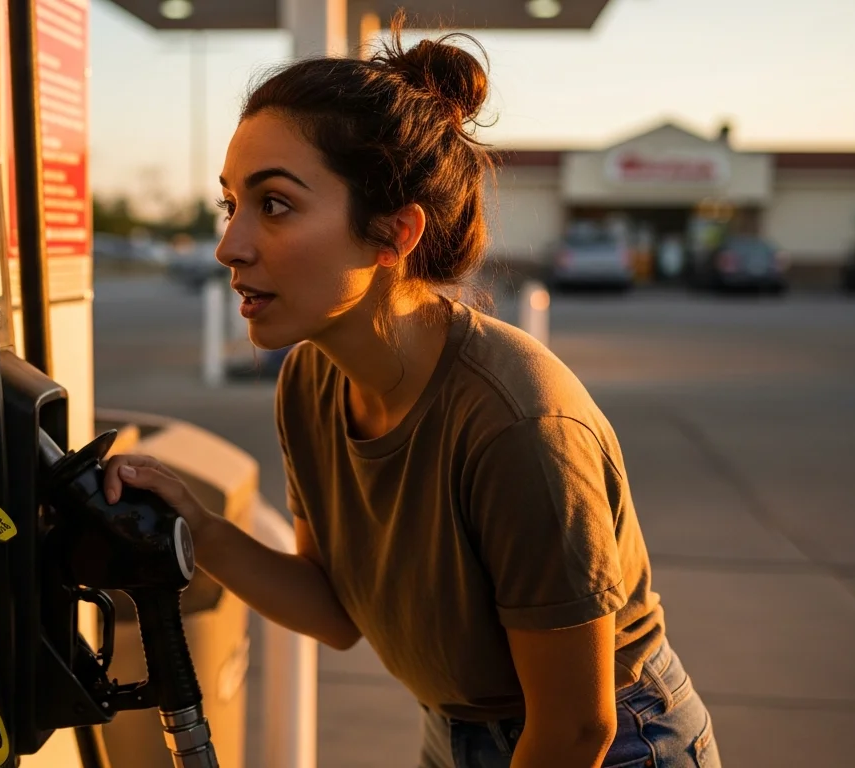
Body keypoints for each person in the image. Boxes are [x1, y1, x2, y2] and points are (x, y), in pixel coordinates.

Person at [103, 15, 720, 768]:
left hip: (612, 744)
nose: (229, 245)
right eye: (231, 203)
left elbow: (574, 728)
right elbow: (334, 612)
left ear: (395, 235)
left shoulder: (515, 421)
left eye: (274, 205)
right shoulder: (310, 379)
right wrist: (197, 525)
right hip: (458, 727)